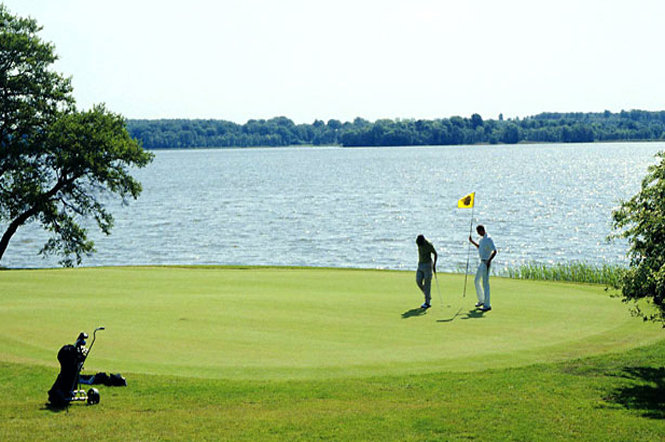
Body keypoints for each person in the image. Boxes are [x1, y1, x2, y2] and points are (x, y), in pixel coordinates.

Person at [469, 225, 497, 311]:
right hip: (482, 262)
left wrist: (489, 261)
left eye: (478, 232)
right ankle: (481, 300)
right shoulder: (481, 239)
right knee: (476, 280)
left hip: (486, 263)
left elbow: (495, 251)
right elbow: (479, 247)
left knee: (485, 283)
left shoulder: (488, 239)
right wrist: (472, 241)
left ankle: (487, 305)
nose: (478, 234)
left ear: (482, 230)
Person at [415, 234, 437, 309]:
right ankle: (427, 294)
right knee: (418, 281)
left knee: (427, 283)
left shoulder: (429, 245)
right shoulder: (418, 242)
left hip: (428, 265)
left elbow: (435, 254)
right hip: (420, 264)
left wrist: (434, 265)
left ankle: (427, 303)